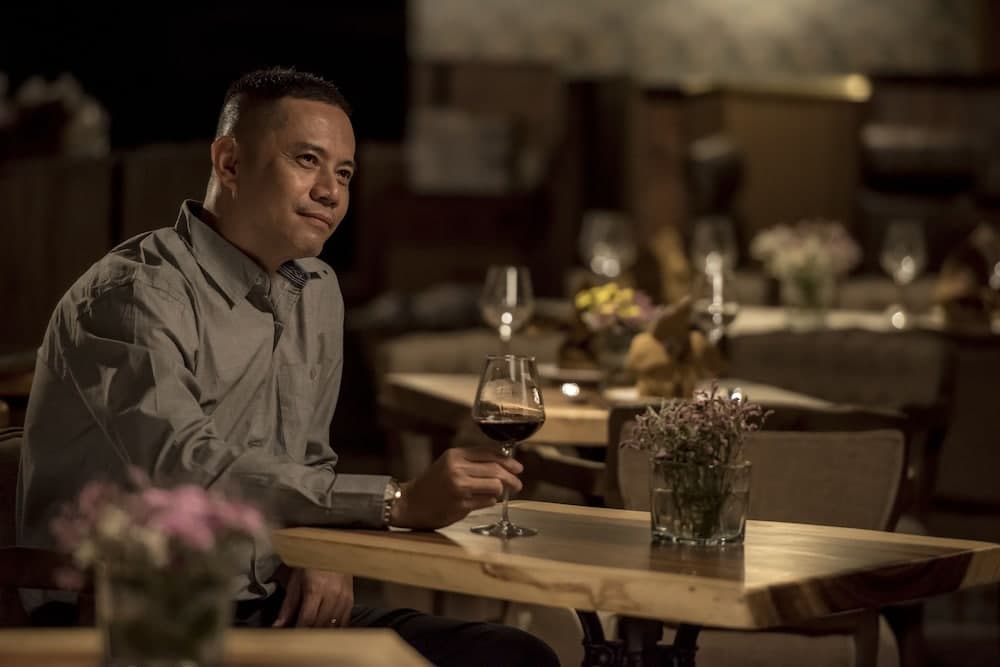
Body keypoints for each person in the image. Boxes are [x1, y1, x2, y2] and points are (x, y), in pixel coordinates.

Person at [16, 66, 559, 667]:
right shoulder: (134, 294)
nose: (331, 191)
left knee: (511, 654)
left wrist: (322, 547)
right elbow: (183, 466)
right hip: (133, 614)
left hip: (265, 603)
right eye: (307, 160)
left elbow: (310, 462)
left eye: (344, 173)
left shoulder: (317, 290)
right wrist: (394, 501)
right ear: (229, 163)